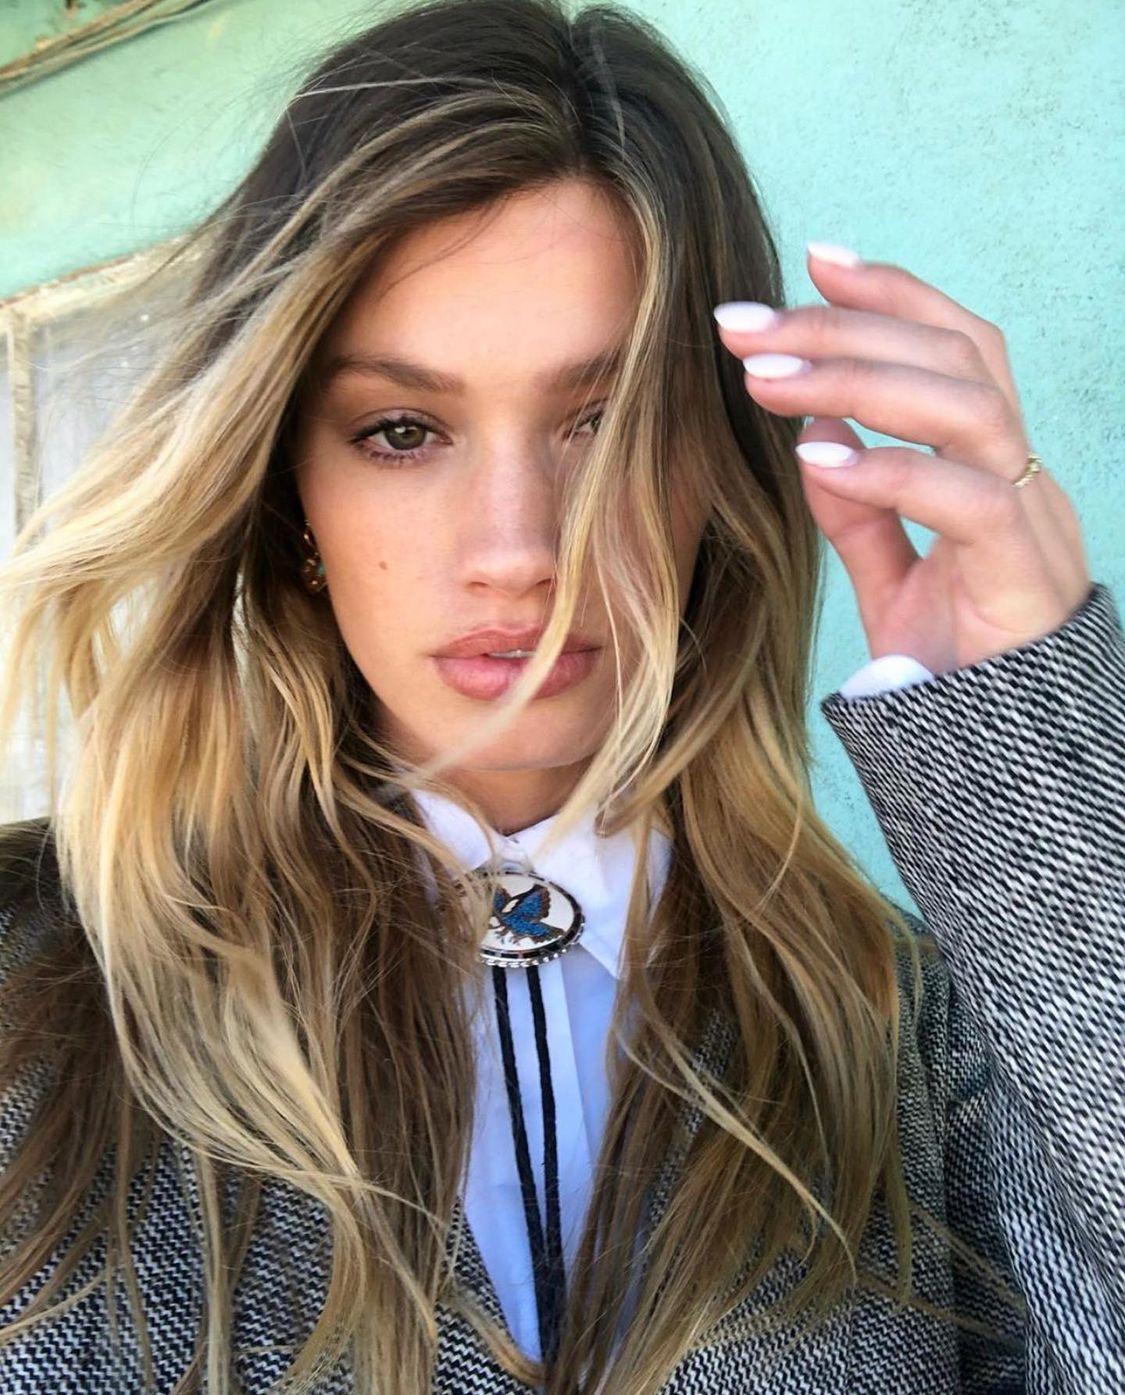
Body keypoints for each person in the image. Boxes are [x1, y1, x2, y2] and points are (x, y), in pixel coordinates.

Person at [0, 0, 1121, 1391]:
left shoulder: (917, 1028)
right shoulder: (34, 980)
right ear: (286, 488)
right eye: (400, 431)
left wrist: (1035, 759)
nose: (519, 549)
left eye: (611, 421)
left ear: (718, 472)